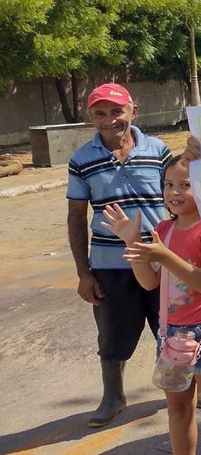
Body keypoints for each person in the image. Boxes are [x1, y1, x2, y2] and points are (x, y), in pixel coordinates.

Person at [100, 157, 201, 455]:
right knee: (179, 410)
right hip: (171, 334)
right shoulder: (165, 229)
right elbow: (150, 283)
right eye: (168, 185)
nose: (174, 192)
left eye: (185, 185)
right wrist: (132, 244)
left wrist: (165, 256)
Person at [67, 83, 170, 427]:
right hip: (110, 266)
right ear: (91, 117)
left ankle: (185, 387)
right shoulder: (81, 160)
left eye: (117, 111)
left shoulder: (159, 151)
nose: (110, 120)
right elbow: (76, 217)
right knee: (112, 336)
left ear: (133, 111)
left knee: (173, 330)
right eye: (100, 113)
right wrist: (84, 273)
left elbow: (183, 194)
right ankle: (113, 396)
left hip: (161, 261)